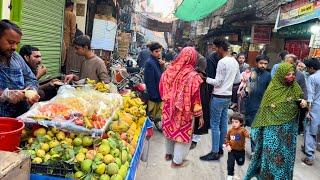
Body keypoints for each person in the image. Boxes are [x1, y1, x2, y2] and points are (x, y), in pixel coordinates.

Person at [244, 63, 307, 179]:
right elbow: (263, 112)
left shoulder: (296, 88)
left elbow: (301, 109)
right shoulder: (272, 91)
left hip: (288, 136)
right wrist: (256, 131)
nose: (291, 77)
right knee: (270, 160)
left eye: (293, 74)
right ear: (281, 75)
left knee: (285, 160)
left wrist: (303, 105)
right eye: (288, 74)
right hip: (271, 134)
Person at [159, 47, 204, 168]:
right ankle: (177, 162)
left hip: (168, 107)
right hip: (184, 111)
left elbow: (161, 88)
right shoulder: (193, 77)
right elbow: (196, 98)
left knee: (169, 129)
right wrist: (199, 114)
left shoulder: (169, 70)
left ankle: (168, 154)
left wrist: (168, 99)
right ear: (193, 58)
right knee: (181, 134)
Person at [200, 39, 240, 161]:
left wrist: (205, 78)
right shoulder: (235, 62)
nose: (215, 50)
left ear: (221, 48)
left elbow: (217, 82)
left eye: (215, 48)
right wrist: (227, 85)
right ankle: (220, 149)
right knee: (222, 124)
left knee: (215, 125)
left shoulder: (222, 62)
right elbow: (237, 81)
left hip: (218, 96)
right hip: (227, 97)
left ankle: (214, 152)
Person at [0, 20, 40, 117]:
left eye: (17, 43)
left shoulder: (16, 57)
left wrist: (32, 91)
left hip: (21, 115)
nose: (14, 47)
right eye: (10, 42)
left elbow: (30, 78)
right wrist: (5, 94)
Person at [244, 55, 271, 153]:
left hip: (260, 106)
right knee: (244, 125)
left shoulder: (268, 76)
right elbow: (248, 87)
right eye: (261, 63)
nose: (263, 65)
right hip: (249, 104)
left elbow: (269, 91)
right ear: (257, 63)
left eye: (265, 64)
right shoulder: (251, 72)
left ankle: (254, 150)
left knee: (255, 129)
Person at [301, 58, 320, 166]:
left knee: (310, 131)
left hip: (315, 108)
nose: (306, 70)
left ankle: (309, 156)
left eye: (307, 68)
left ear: (312, 68)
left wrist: (308, 111)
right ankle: (308, 147)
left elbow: (310, 97)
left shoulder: (312, 78)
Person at [191, 49, 210, 150]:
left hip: (200, 87)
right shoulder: (193, 59)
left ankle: (195, 139)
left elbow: (201, 74)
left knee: (199, 112)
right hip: (195, 87)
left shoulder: (201, 59)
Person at [225, 113, 249, 180]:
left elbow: (248, 135)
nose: (234, 124)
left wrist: (251, 136)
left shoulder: (242, 130)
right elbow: (227, 138)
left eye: (236, 122)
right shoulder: (230, 130)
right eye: (232, 122)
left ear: (241, 123)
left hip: (240, 151)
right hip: (232, 150)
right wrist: (228, 145)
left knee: (240, 163)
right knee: (230, 163)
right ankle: (230, 175)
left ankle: (237, 174)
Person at [144, 42, 164, 123]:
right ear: (151, 52)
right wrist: (153, 94)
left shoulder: (157, 61)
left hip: (159, 89)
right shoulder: (149, 63)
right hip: (154, 91)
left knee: (158, 111)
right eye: (156, 51)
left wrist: (162, 66)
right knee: (152, 113)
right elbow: (149, 81)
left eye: (159, 51)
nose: (158, 53)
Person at [62, 0, 76, 73]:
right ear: (71, 6)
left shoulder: (61, 12)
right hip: (67, 39)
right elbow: (73, 29)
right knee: (66, 59)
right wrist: (73, 39)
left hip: (60, 38)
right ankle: (64, 73)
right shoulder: (71, 15)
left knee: (61, 56)